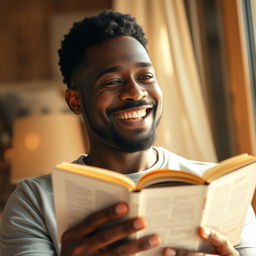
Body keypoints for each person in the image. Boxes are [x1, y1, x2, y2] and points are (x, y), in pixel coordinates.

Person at [1, 10, 256, 256]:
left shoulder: (218, 189)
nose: (135, 93)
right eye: (112, 82)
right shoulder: (35, 202)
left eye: (146, 76)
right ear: (75, 100)